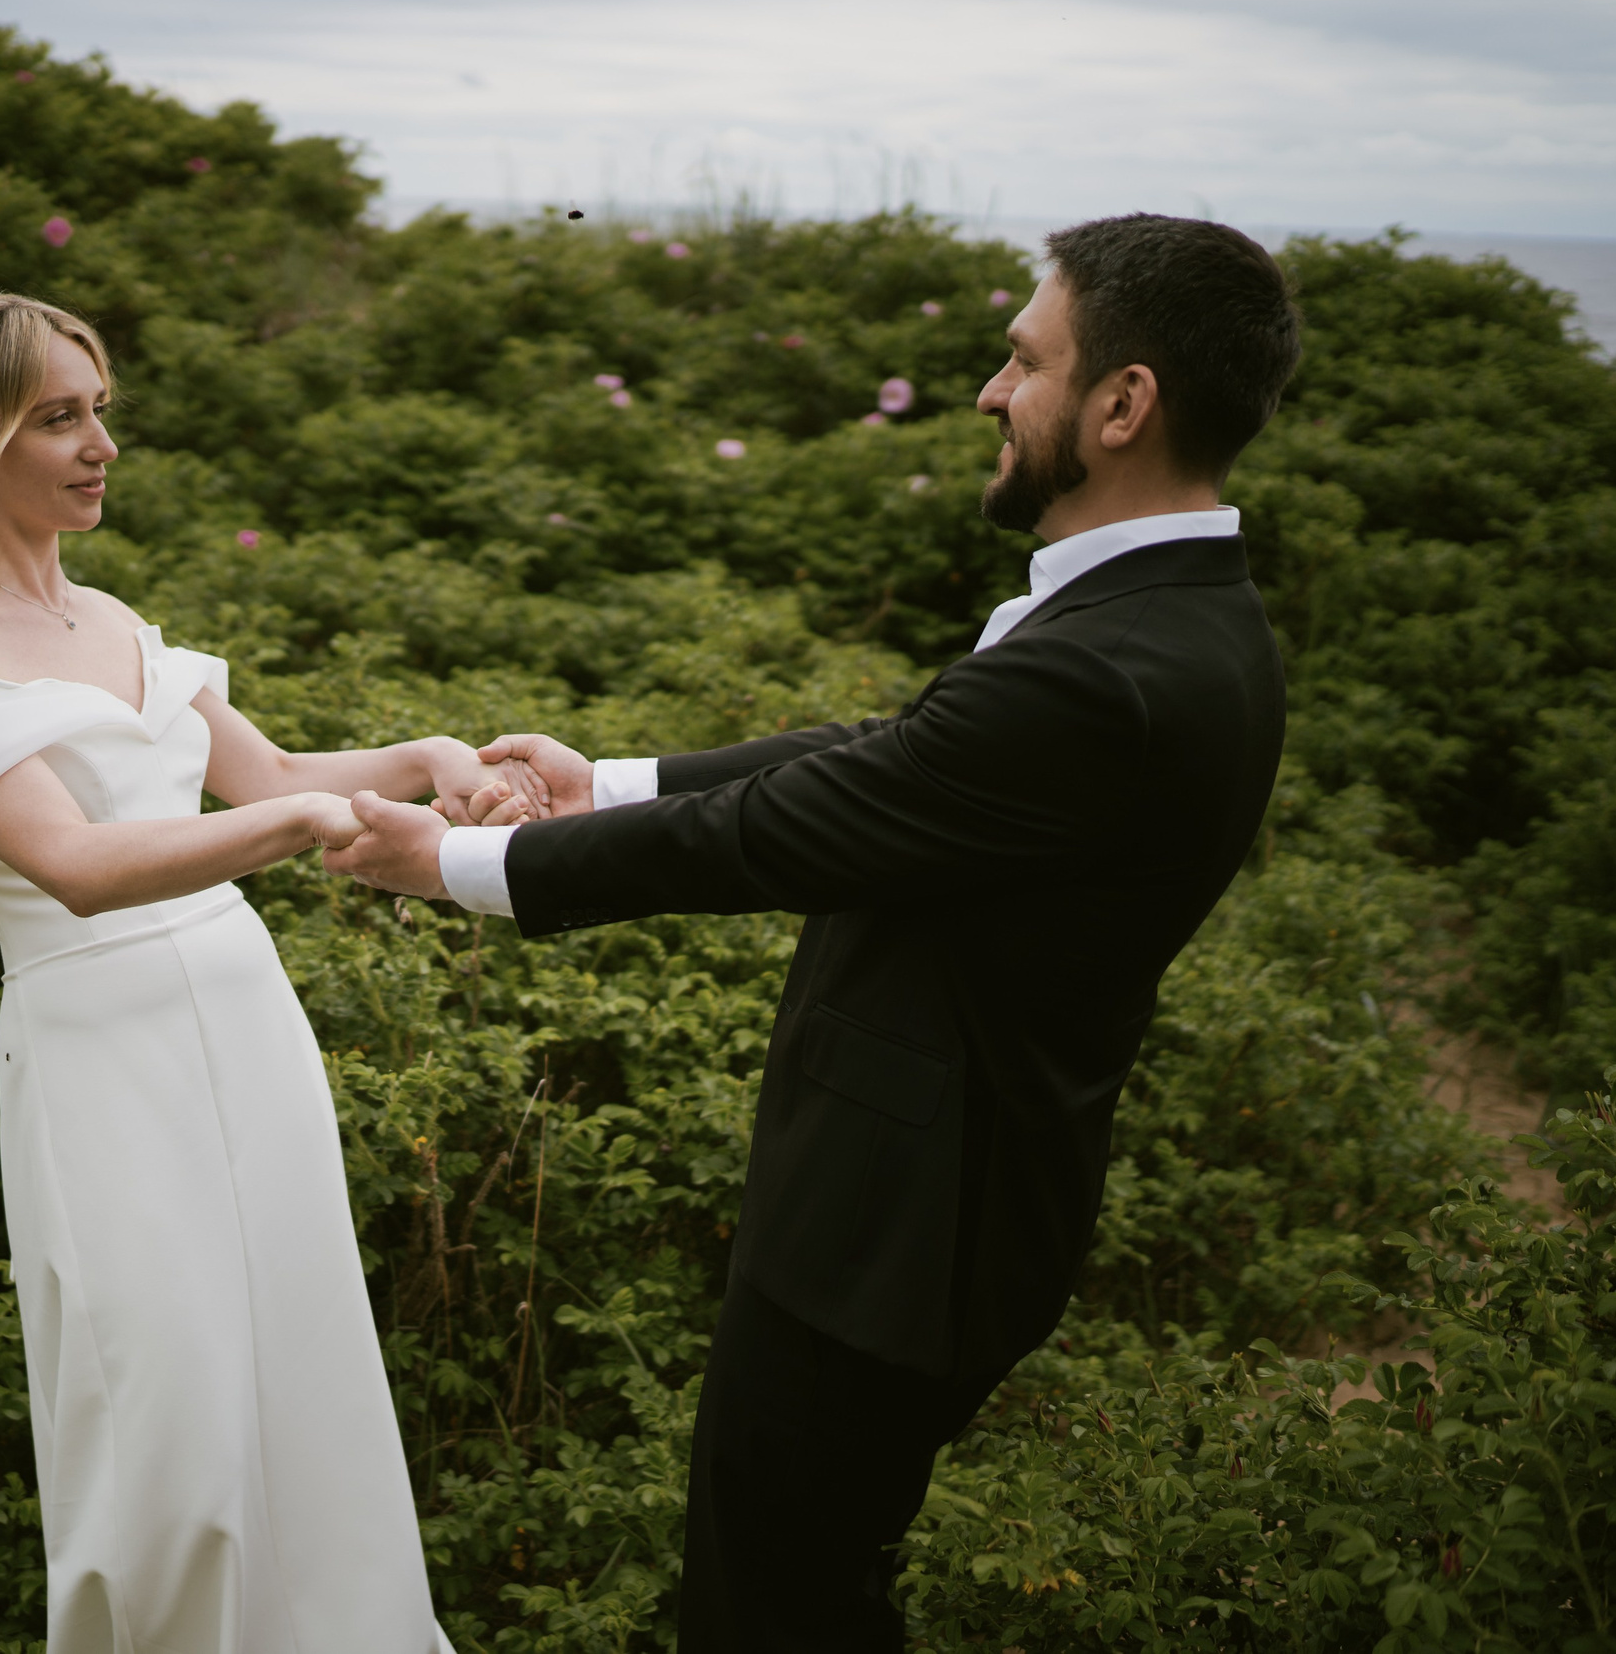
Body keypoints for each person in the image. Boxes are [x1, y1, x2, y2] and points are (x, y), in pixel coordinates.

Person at [325, 214, 1302, 1650]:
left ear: (1121, 403)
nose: (988, 390)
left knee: (771, 1605)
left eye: (1023, 359)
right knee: (805, 1586)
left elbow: (793, 829)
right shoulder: (1169, 619)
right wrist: (615, 782)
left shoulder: (1108, 672)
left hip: (901, 1237)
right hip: (927, 1207)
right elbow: (899, 758)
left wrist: (469, 863)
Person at [0, 293, 505, 1652]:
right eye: (58, 418)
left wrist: (427, 757)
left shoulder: (120, 620)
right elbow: (75, 865)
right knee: (164, 1412)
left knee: (298, 1366)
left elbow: (269, 775)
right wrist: (292, 833)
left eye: (100, 411)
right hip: (102, 1043)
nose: (99, 445)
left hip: (236, 1011)